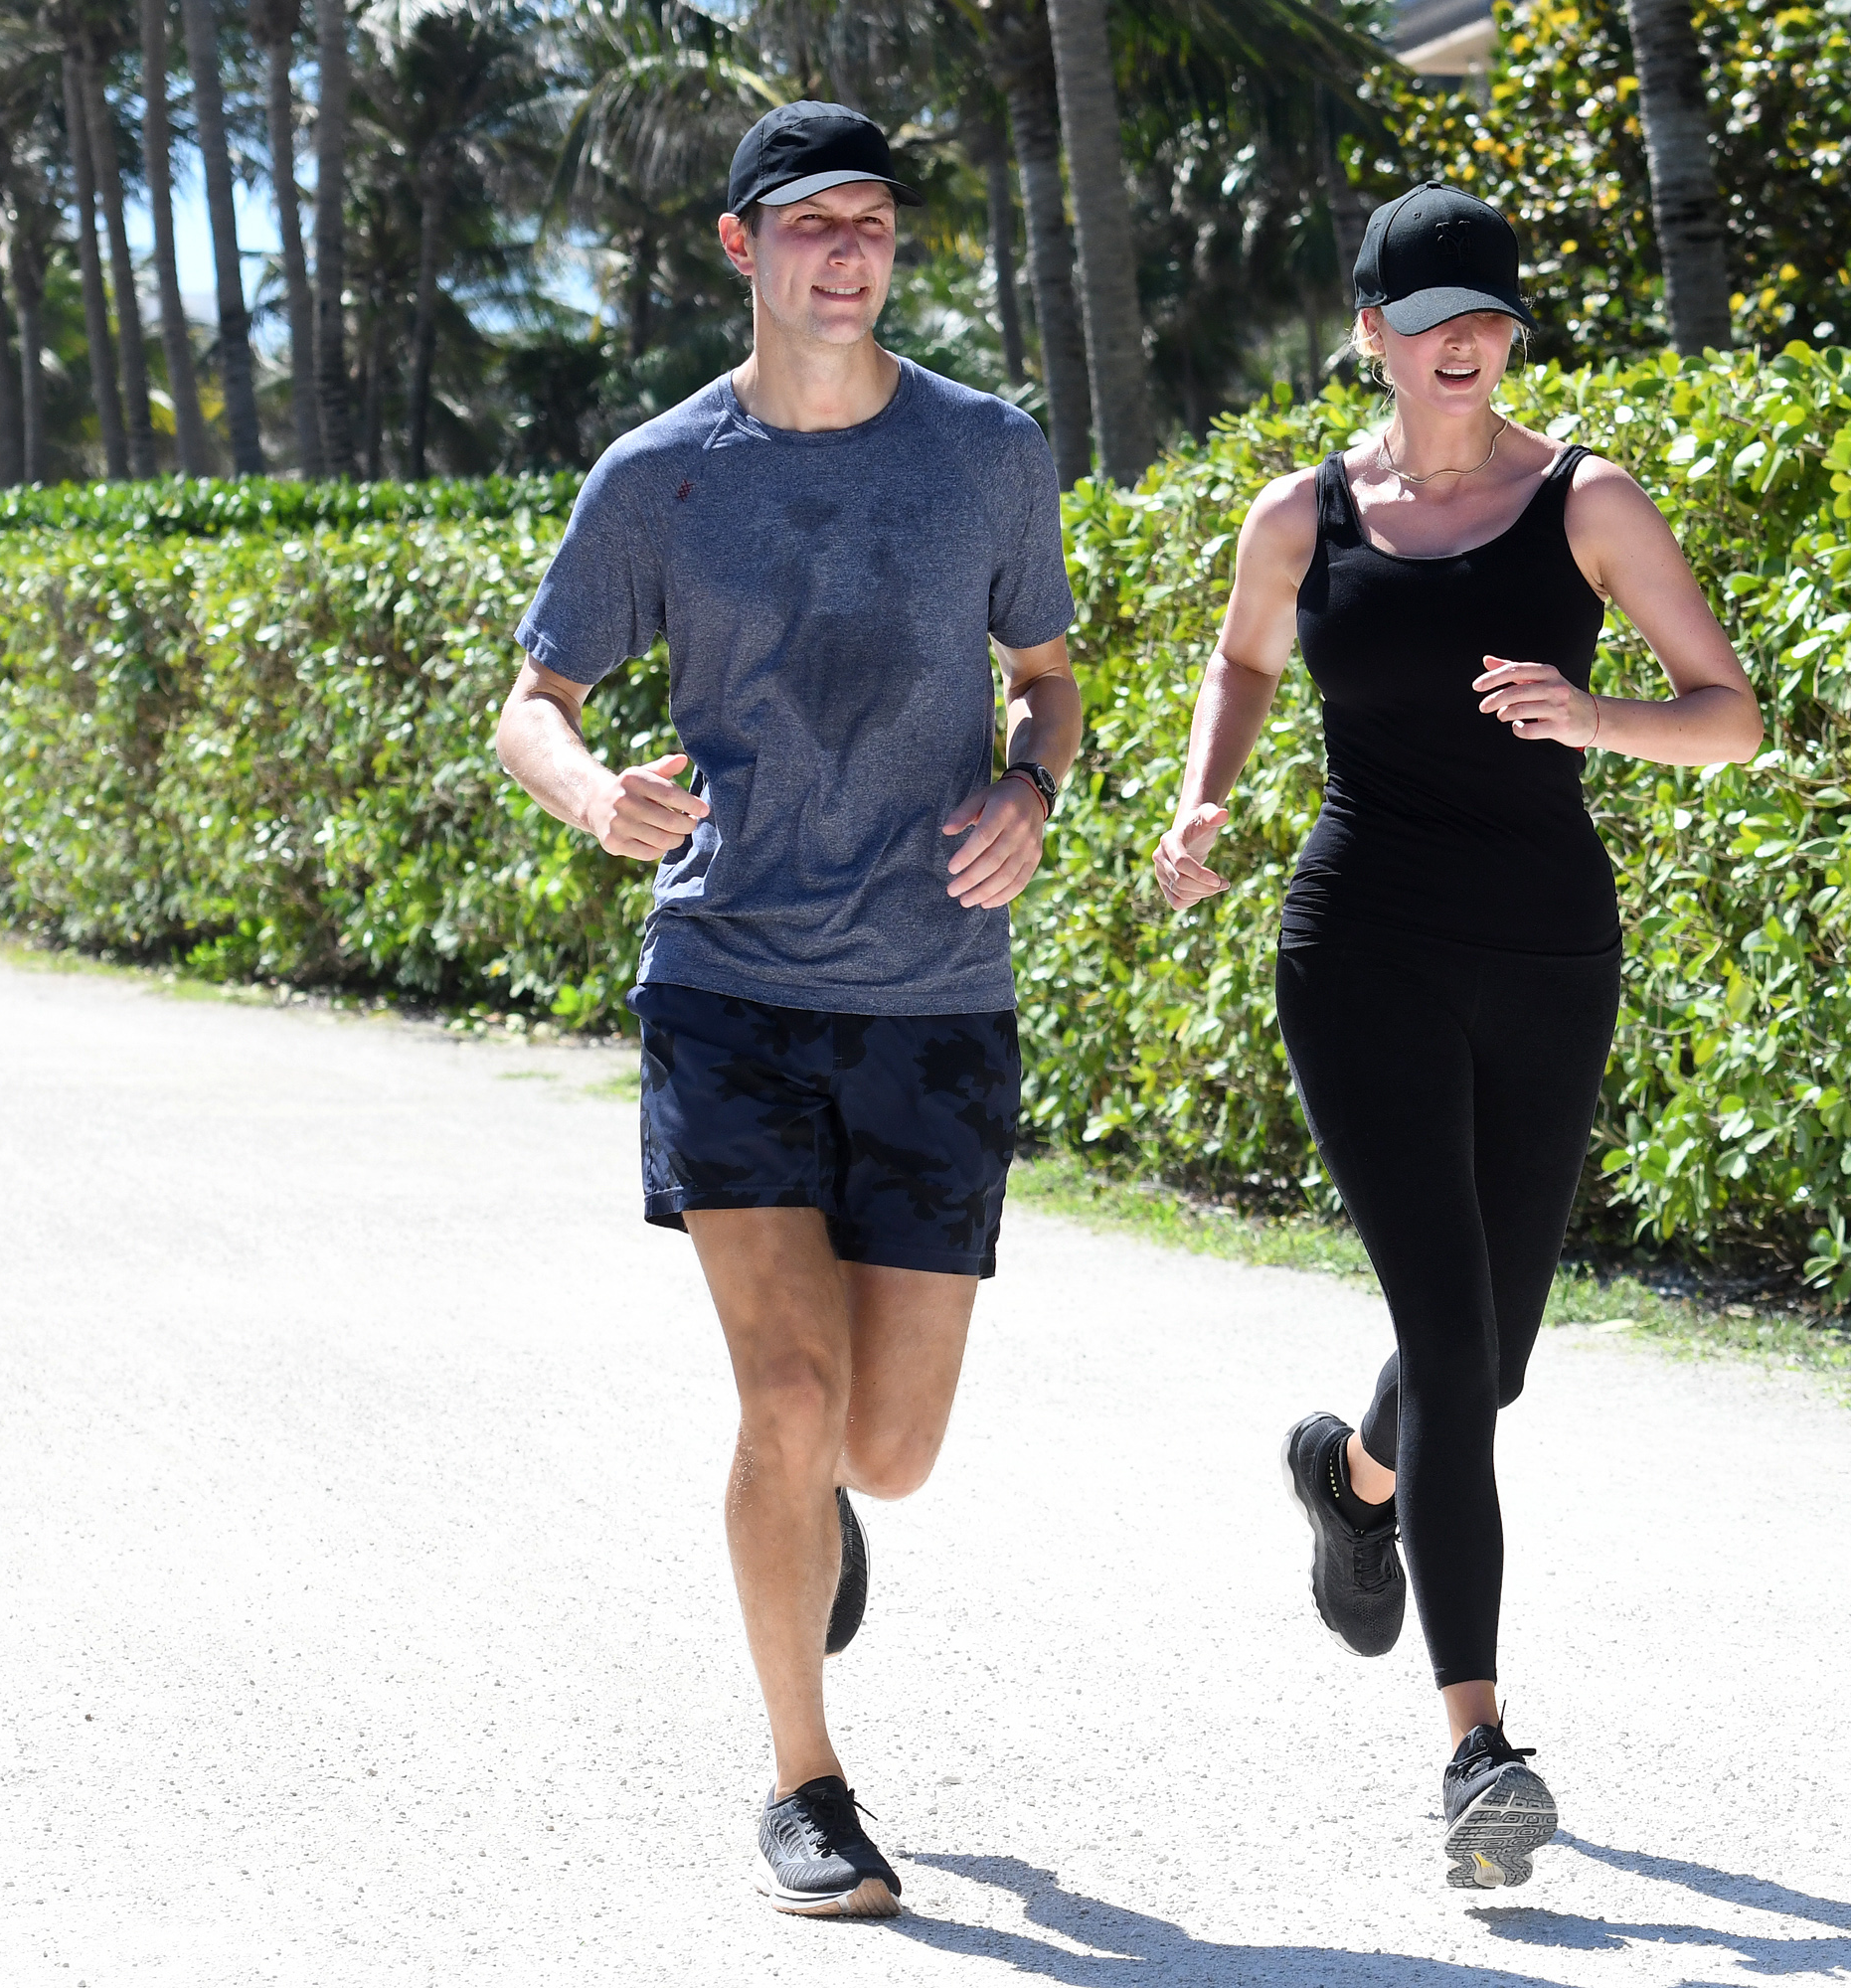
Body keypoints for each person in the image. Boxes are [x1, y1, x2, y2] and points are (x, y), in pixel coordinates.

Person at [493, 100, 1079, 1921]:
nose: (851, 252)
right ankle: (805, 1781)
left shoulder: (987, 454)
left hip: (935, 999)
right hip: (730, 981)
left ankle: (818, 1514)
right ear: (740, 251)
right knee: (790, 1394)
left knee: (884, 1452)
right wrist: (598, 799)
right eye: (812, 224)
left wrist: (1033, 792)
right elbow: (534, 704)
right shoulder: (660, 474)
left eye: (876, 225)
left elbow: (1047, 681)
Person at [1150, 181, 1766, 1891]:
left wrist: (1597, 716)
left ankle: (1352, 1481)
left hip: (1547, 947)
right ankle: (1479, 1752)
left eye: (1487, 311)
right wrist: (1202, 804)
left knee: (1484, 1360)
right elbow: (1245, 666)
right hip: (1359, 944)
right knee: (1448, 1325)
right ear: (1373, 335)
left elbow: (1733, 717)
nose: (1465, 340)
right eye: (1430, 319)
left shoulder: (1588, 500)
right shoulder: (1304, 515)